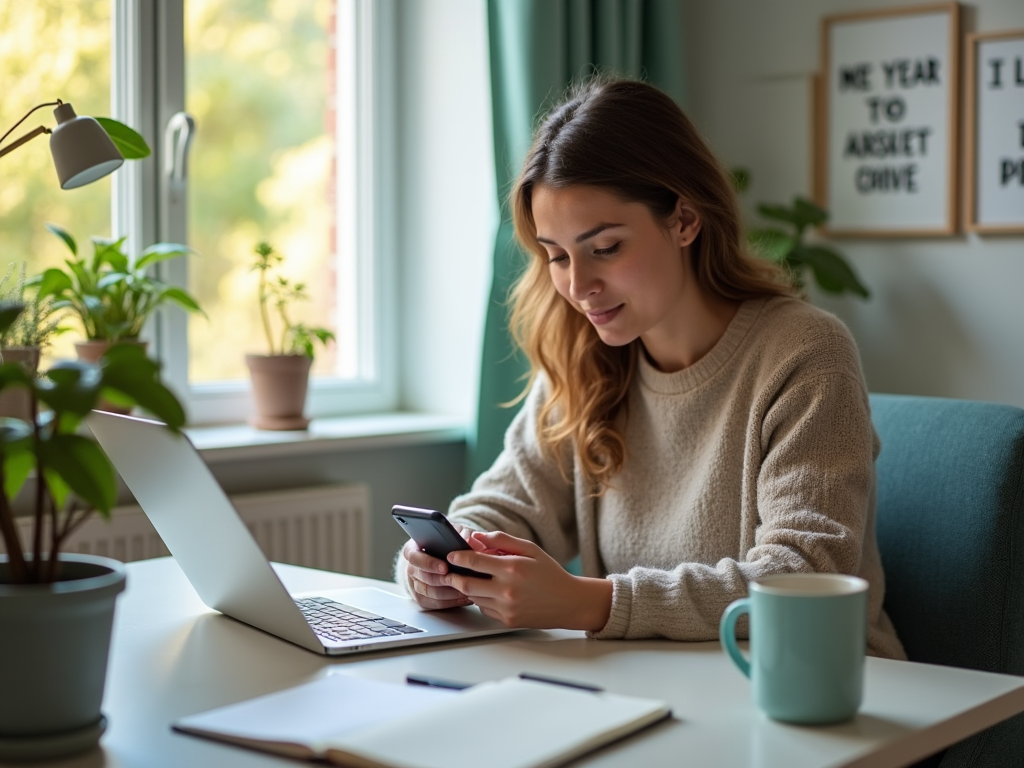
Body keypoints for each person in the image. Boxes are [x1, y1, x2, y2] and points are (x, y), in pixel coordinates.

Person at [396, 76, 905, 659]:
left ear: (684, 220)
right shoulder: (582, 356)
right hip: (655, 688)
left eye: (605, 248)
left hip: (817, 692)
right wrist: (440, 564)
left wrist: (590, 603)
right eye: (557, 256)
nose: (579, 287)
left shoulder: (804, 352)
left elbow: (804, 574)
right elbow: (506, 506)